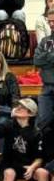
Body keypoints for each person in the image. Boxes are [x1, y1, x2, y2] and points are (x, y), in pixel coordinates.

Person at [36, 10, 54, 138]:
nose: (51, 24)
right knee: (42, 121)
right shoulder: (45, 41)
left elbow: (43, 59)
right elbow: (36, 60)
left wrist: (46, 58)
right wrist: (51, 56)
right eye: (49, 21)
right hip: (46, 87)